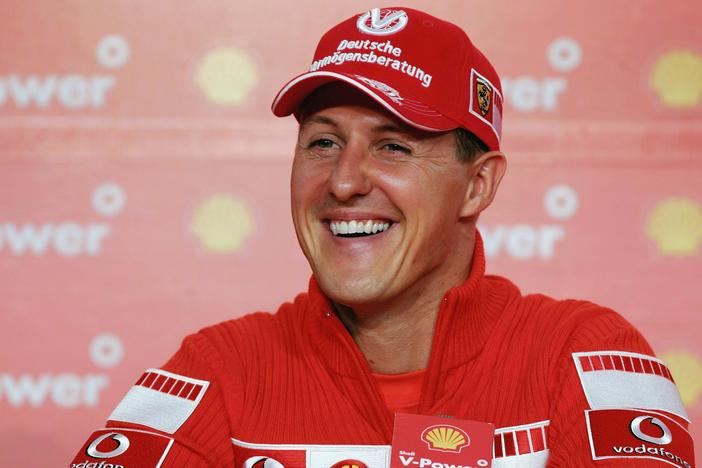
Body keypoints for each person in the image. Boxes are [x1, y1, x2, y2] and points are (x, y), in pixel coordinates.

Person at [71, 6, 694, 468]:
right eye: (323, 142)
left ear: (477, 186)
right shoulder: (217, 371)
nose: (343, 182)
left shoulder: (586, 358)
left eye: (393, 145)